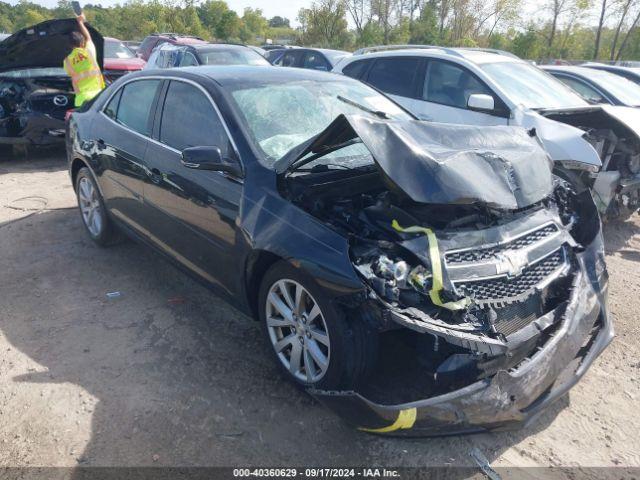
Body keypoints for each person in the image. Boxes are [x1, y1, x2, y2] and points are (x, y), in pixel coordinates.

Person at [63, 13, 105, 107]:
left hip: (81, 99)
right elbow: (89, 38)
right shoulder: (89, 52)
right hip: (97, 96)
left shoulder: (67, 61)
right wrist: (80, 22)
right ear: (82, 42)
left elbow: (72, 76)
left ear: (70, 45)